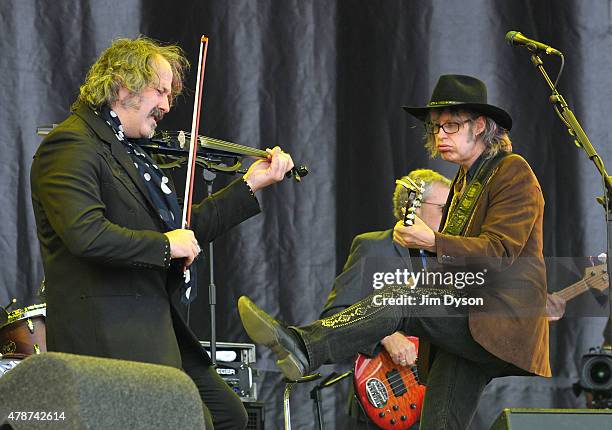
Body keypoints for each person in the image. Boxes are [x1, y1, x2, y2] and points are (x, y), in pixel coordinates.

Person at [238, 75, 551, 429]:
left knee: (399, 298)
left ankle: (305, 346)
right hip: (468, 321)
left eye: (451, 125)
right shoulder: (465, 181)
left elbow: (500, 252)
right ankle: (303, 346)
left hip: (495, 317)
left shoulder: (512, 171)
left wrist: (431, 242)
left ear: (480, 126)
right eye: (436, 128)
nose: (440, 136)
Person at [30, 37, 294, 429]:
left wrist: (249, 185)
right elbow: (85, 234)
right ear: (122, 86)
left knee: (230, 416)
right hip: (112, 338)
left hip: (156, 327)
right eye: (160, 91)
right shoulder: (70, 144)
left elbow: (182, 233)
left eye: (169, 94)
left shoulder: (130, 152)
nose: (168, 106)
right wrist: (166, 245)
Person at [320, 169, 451, 428]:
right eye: (442, 208)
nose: (449, 216)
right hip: (387, 397)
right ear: (409, 208)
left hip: (439, 400)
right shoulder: (373, 247)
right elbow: (336, 314)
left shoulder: (453, 259)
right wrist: (385, 335)